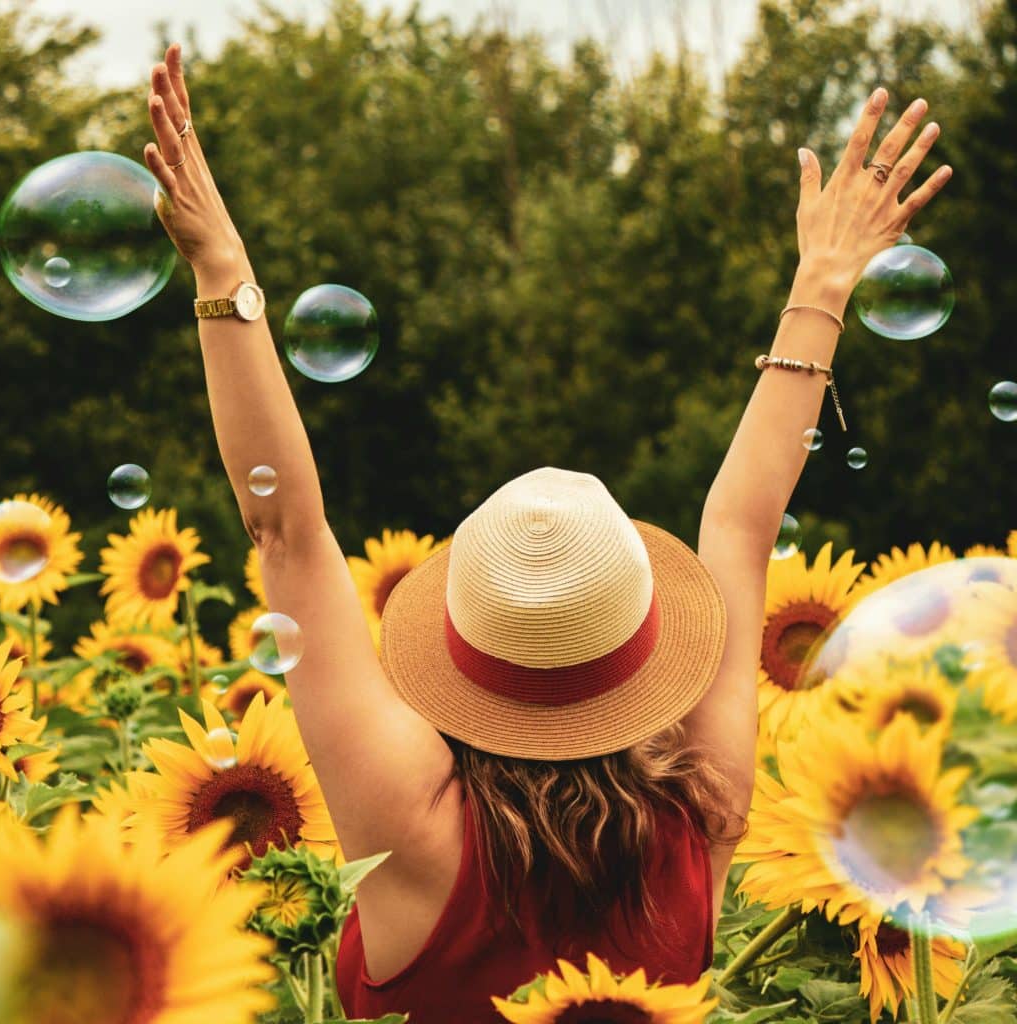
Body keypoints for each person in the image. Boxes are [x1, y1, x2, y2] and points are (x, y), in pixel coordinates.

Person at [142, 42, 951, 1023]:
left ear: (462, 646)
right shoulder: (701, 818)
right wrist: (822, 283)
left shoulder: (414, 827)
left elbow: (286, 533)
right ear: (642, 645)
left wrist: (223, 270)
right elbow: (738, 527)